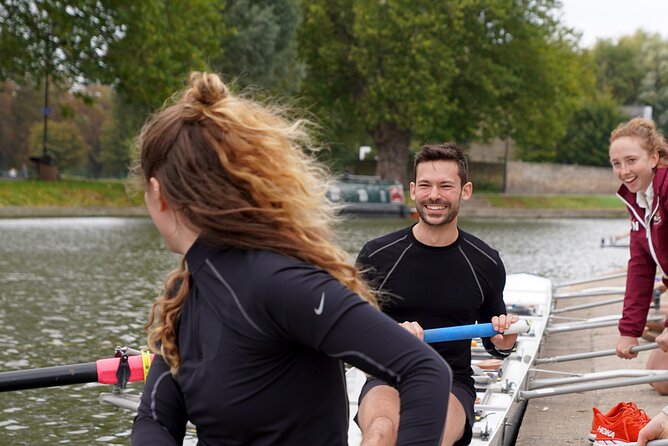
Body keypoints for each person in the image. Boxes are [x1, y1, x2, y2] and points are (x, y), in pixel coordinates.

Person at [128, 71, 452, 446]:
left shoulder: (279, 282)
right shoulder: (184, 291)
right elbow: (155, 419)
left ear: (157, 192)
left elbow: (423, 370)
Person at [355, 143, 518, 446]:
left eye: (446, 186)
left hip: (451, 380)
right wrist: (391, 334)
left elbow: (495, 342)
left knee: (424, 439)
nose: (434, 196)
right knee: (380, 432)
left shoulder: (486, 262)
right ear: (413, 190)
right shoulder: (376, 255)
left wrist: (504, 343)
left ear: (464, 191)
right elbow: (353, 334)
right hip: (387, 374)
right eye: (426, 186)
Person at [609, 117, 668, 394]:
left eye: (631, 160)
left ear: (654, 157)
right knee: (659, 379)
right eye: (616, 164)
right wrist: (629, 330)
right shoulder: (638, 201)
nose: (623, 171)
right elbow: (640, 269)